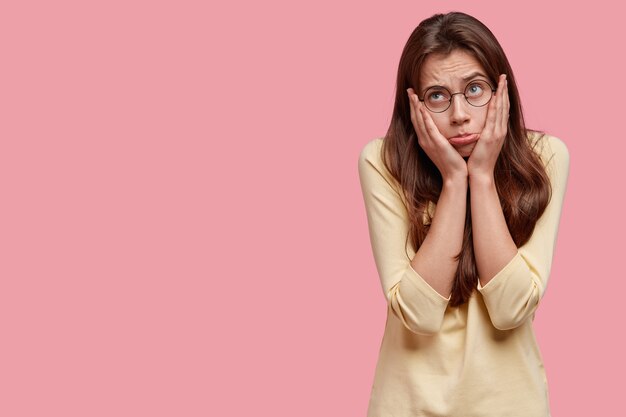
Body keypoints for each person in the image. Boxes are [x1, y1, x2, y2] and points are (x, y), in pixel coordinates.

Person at [357, 11, 569, 417]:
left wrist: (483, 177)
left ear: (501, 89)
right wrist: (455, 180)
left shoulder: (546, 158)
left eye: (475, 89)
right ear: (413, 103)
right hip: (408, 405)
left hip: (512, 406)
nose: (459, 114)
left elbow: (511, 309)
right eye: (437, 95)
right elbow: (418, 315)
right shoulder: (382, 162)